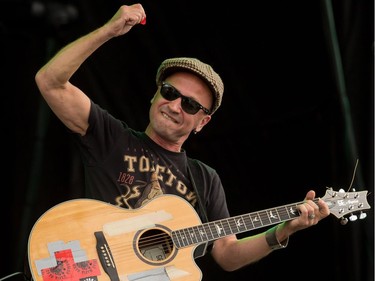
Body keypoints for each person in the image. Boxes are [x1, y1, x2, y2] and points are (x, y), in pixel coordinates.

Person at [34, 3, 330, 278]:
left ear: (203, 122)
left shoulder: (204, 179)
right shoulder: (111, 137)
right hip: (85, 266)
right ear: (155, 94)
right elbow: (51, 81)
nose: (175, 105)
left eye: (190, 105)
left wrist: (282, 230)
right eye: (169, 92)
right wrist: (109, 30)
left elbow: (227, 254)